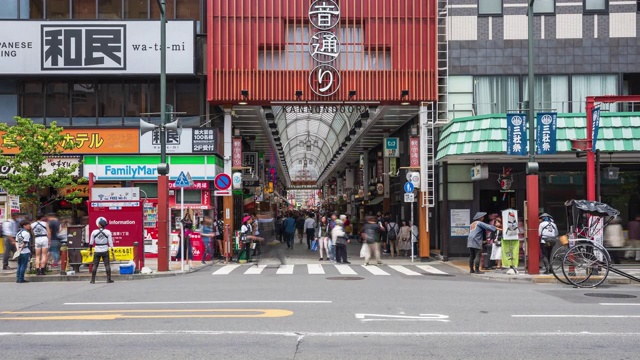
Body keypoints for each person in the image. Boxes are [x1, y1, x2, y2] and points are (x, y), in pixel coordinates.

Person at [88, 217, 115, 284]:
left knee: (95, 265)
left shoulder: (94, 232)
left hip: (97, 249)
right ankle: (108, 279)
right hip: (105, 249)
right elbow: (110, 242)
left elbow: (91, 242)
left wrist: (91, 250)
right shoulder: (108, 232)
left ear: (99, 225)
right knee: (107, 265)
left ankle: (93, 280)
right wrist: (112, 250)